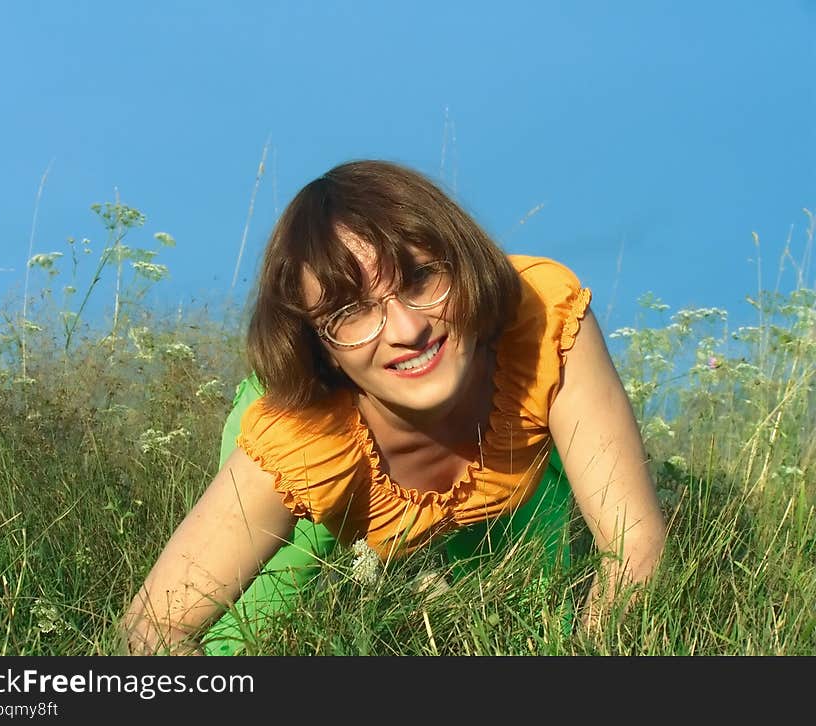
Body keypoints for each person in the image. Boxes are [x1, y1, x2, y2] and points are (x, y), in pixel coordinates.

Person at [120, 159, 666, 656]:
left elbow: (635, 550)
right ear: (320, 348)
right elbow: (150, 630)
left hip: (511, 478)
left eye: (423, 278)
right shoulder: (300, 445)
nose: (408, 330)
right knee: (248, 641)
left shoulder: (542, 323)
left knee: (527, 624)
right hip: (331, 467)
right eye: (351, 312)